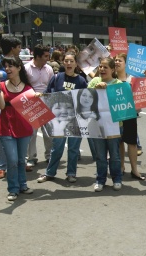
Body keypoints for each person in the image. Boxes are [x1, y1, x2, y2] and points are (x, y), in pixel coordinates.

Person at [36, 52, 87, 184]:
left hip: (76, 120)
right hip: (58, 119)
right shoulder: (57, 77)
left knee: (73, 149)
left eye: (71, 61)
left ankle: (71, 173)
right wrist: (41, 95)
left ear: (76, 63)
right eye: (66, 61)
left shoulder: (81, 80)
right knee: (57, 148)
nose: (69, 63)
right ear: (63, 62)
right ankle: (50, 173)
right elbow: (48, 94)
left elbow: (85, 100)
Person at [0, 57, 34, 201]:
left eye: (11, 66)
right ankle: (13, 189)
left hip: (24, 127)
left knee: (22, 160)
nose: (8, 69)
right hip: (6, 127)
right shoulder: (2, 85)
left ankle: (22, 185)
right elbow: (2, 106)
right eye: (6, 66)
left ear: (19, 68)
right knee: (12, 160)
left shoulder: (28, 87)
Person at [0, 36, 22, 179]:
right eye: (19, 47)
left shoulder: (18, 62)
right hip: (2, 100)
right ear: (13, 47)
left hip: (17, 99)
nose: (20, 49)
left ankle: (20, 162)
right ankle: (1, 166)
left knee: (20, 131)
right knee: (4, 134)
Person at [88, 57, 123, 192]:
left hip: (114, 125)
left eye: (105, 67)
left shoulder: (118, 83)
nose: (101, 69)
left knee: (114, 155)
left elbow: (121, 101)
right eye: (100, 67)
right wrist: (95, 89)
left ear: (112, 70)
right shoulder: (94, 81)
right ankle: (100, 180)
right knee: (100, 156)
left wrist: (108, 89)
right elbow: (85, 98)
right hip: (97, 124)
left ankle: (117, 179)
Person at [114, 53, 146, 181]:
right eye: (115, 60)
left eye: (119, 60)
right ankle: (121, 167)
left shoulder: (134, 79)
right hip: (116, 114)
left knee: (132, 142)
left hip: (130, 114)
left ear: (126, 64)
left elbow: (143, 94)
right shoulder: (112, 77)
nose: (116, 62)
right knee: (119, 141)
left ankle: (134, 170)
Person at [24, 44, 55, 169]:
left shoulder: (49, 69)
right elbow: (24, 87)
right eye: (46, 56)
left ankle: (50, 156)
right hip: (32, 104)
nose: (48, 58)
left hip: (47, 102)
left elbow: (52, 85)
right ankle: (31, 158)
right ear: (37, 56)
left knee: (49, 133)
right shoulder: (26, 69)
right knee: (31, 133)